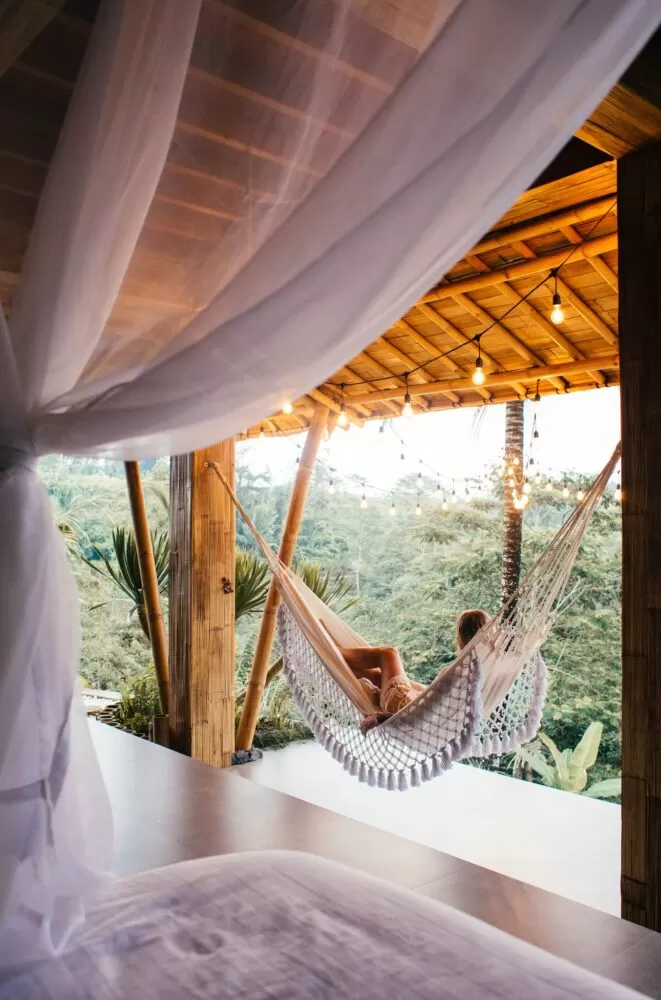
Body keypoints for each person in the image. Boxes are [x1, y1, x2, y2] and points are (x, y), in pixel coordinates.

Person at [340, 607, 490, 733]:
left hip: (400, 705)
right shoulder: (481, 669)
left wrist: (379, 718)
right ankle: (331, 655)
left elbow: (422, 711)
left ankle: (330, 649)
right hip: (410, 701)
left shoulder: (457, 672)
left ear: (461, 636)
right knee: (379, 676)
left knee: (389, 653)